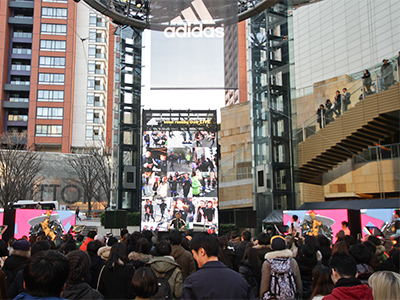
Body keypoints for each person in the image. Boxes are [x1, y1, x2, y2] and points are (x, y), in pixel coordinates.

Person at [182, 233, 254, 299]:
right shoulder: (240, 280)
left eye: (194, 254)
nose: (194, 257)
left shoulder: (192, 282)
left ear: (202, 252)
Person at [260, 235, 302, 300]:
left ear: (272, 248)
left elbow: (265, 284)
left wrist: (262, 296)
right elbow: (298, 281)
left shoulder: (268, 263)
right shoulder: (291, 261)